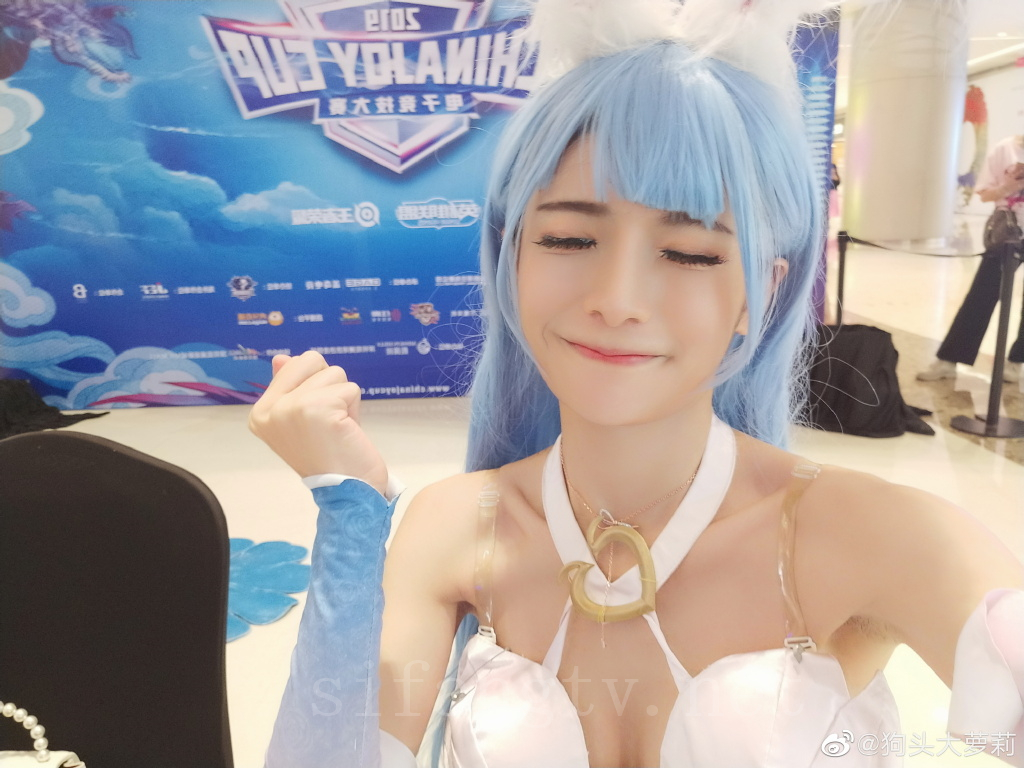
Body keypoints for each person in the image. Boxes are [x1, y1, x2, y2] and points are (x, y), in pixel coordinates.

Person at [250, 2, 1024, 766]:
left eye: (689, 253)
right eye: (568, 238)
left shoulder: (872, 536)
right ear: (511, 258)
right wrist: (349, 512)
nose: (617, 300)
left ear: (760, 290)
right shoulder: (454, 528)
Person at [917, 133, 1024, 384]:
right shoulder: (1005, 149)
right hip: (1008, 231)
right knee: (982, 294)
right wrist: (1009, 186)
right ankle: (948, 360)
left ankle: (1016, 363)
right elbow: (985, 194)